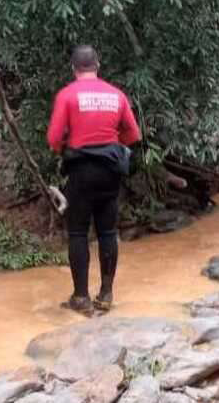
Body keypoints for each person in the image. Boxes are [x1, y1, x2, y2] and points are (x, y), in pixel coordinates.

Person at [46, 45, 141, 314]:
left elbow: (53, 139)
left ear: (73, 68)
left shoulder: (67, 95)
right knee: (107, 232)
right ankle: (106, 294)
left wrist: (68, 145)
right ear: (97, 65)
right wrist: (109, 145)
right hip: (110, 170)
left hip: (80, 171)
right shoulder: (116, 95)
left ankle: (81, 297)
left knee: (78, 232)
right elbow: (133, 135)